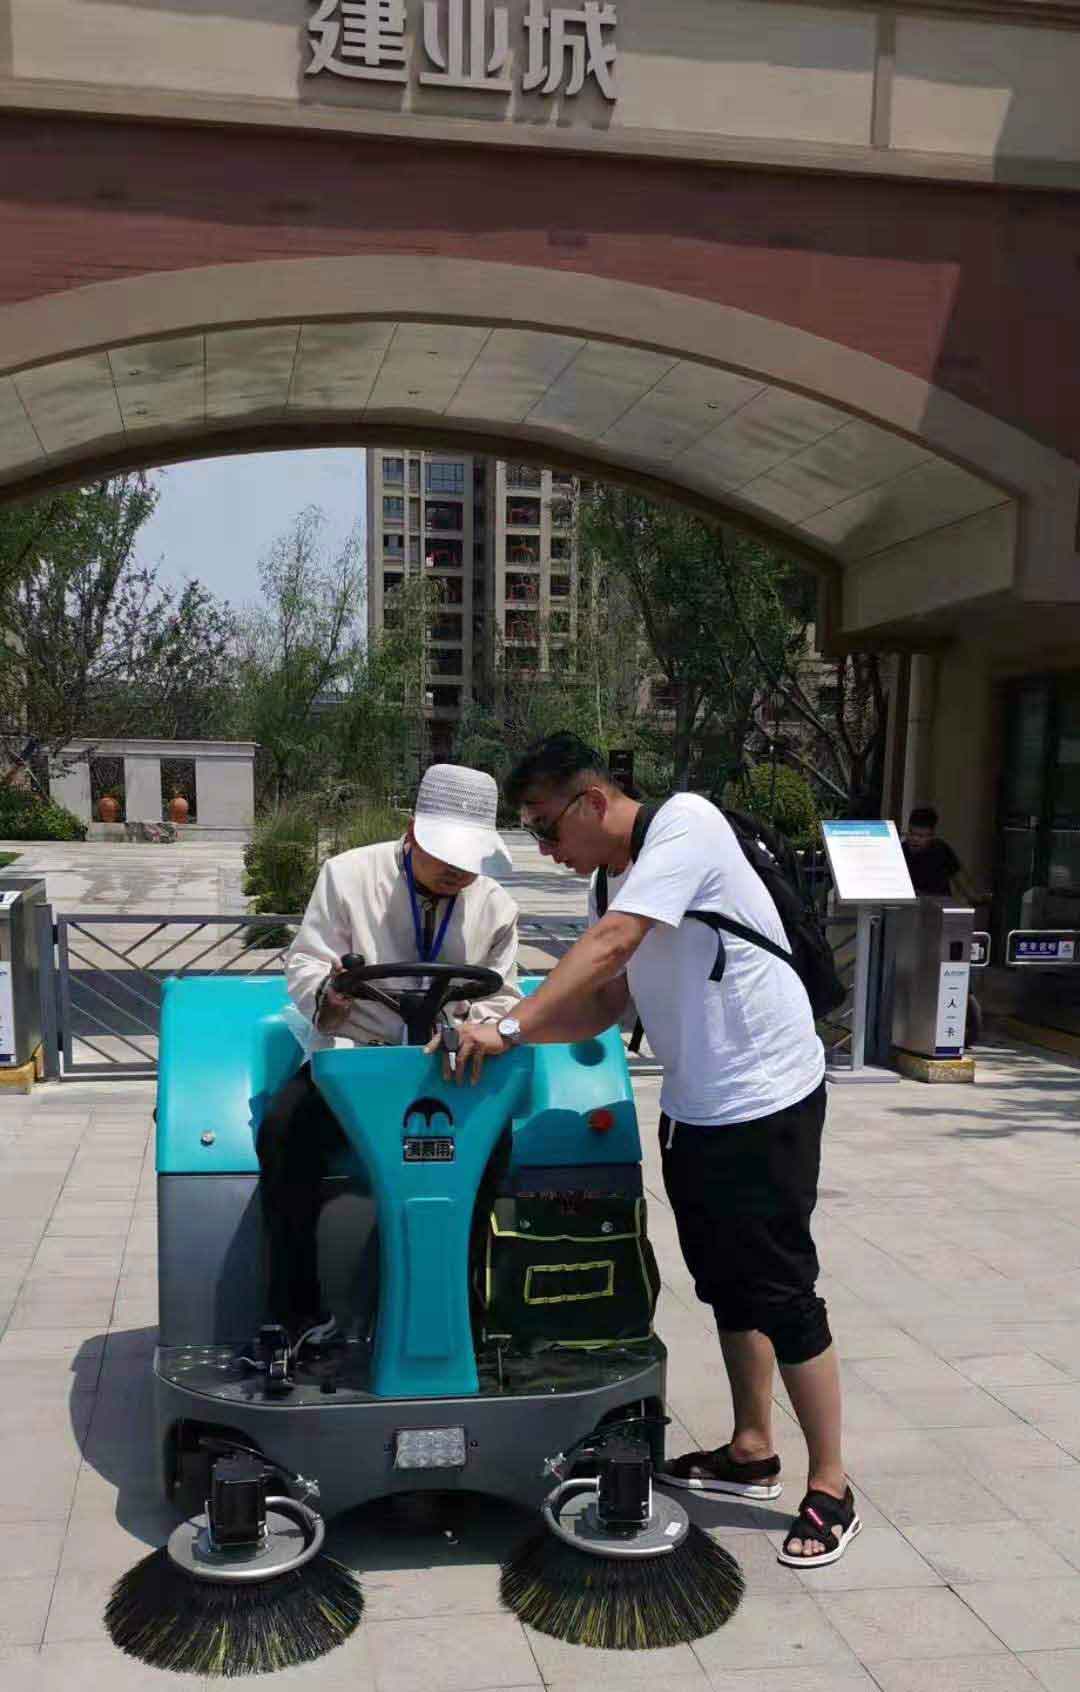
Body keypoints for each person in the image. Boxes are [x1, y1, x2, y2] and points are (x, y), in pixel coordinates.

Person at [443, 734, 858, 1568]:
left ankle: (834, 1486)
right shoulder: (613, 873)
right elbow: (603, 1004)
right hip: (697, 1105)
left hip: (768, 1097)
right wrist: (510, 1044)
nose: (547, 851)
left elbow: (612, 947)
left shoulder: (687, 828)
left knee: (781, 1289)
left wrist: (511, 1022)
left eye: (546, 828)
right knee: (722, 1282)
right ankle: (751, 1451)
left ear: (593, 801)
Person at [257, 764, 521, 1347]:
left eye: (467, 861)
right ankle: (297, 1308)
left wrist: (481, 1027)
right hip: (357, 1058)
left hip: (446, 1065)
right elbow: (304, 963)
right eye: (444, 856)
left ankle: (465, 1303)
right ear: (411, 833)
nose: (456, 872)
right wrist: (331, 992)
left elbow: (502, 992)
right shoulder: (348, 876)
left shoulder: (495, 905)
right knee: (283, 1131)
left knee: (493, 1145)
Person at [902, 805, 988, 903]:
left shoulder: (941, 849)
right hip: (912, 906)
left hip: (940, 906)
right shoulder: (900, 851)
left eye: (921, 836)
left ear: (932, 836)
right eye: (911, 833)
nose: (915, 839)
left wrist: (977, 898)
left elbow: (962, 880)